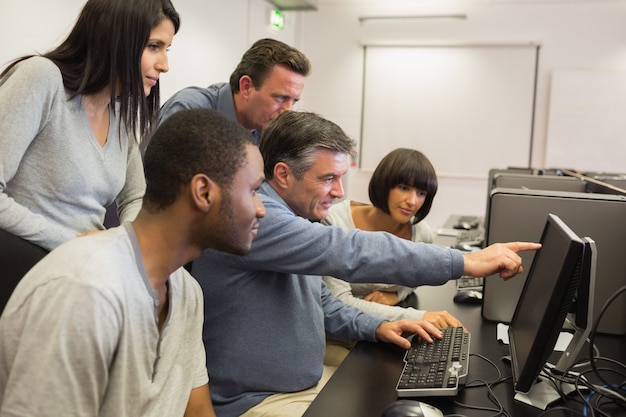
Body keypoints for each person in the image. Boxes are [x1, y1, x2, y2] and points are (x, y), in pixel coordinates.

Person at [191, 110, 541, 417]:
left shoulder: (291, 217)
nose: (341, 192)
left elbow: (322, 303)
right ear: (283, 174)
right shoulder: (257, 219)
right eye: (328, 178)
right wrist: (465, 261)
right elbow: (352, 250)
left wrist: (375, 327)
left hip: (300, 384)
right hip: (260, 401)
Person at [0, 108, 267, 417]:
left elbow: (196, 409)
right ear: (203, 192)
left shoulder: (186, 291)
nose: (261, 209)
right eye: (254, 191)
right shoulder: (84, 292)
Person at [0, 0, 179, 251]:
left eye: (166, 49)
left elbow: (136, 197)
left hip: (86, 260)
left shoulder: (119, 115)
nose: (164, 65)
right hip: (33, 255)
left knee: (182, 283)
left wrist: (124, 242)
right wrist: (72, 243)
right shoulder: (42, 78)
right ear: (116, 39)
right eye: (153, 46)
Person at [322, 148, 461, 327]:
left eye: (421, 193)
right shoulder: (335, 223)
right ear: (384, 184)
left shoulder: (420, 233)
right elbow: (339, 302)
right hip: (339, 330)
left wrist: (396, 295)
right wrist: (418, 317)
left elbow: (416, 278)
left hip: (384, 329)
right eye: (404, 188)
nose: (412, 201)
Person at [157, 38, 311, 143]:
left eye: (294, 101)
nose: (288, 110)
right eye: (281, 98)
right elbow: (153, 181)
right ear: (246, 87)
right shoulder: (189, 109)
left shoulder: (267, 129)